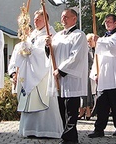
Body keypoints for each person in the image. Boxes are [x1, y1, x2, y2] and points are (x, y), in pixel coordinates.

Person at [8, 8, 63, 138]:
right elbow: (22, 52)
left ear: (46, 20)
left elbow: (49, 54)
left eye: (39, 19)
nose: (36, 21)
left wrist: (31, 50)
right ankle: (30, 130)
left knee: (44, 101)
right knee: (29, 101)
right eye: (35, 19)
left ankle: (47, 130)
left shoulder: (50, 34)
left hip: (42, 74)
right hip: (29, 74)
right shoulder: (32, 35)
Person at [45, 8, 88, 144]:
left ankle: (68, 138)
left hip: (70, 79)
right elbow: (52, 54)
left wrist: (61, 70)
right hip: (59, 79)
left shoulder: (79, 35)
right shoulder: (57, 35)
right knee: (62, 110)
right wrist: (48, 46)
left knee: (71, 111)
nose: (63, 19)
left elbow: (76, 56)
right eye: (62, 16)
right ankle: (70, 137)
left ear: (74, 19)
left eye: (66, 17)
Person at [88, 14, 116, 138]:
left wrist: (99, 41)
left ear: (115, 23)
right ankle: (99, 129)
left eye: (109, 21)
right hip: (104, 77)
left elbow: (114, 50)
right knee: (102, 105)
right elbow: (98, 57)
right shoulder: (103, 38)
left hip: (115, 77)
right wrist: (96, 73)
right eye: (106, 21)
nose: (107, 23)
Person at [78, 33, 95, 120]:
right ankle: (82, 111)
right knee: (81, 93)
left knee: (86, 93)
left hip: (86, 73)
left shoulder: (88, 50)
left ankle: (87, 111)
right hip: (79, 73)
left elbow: (91, 61)